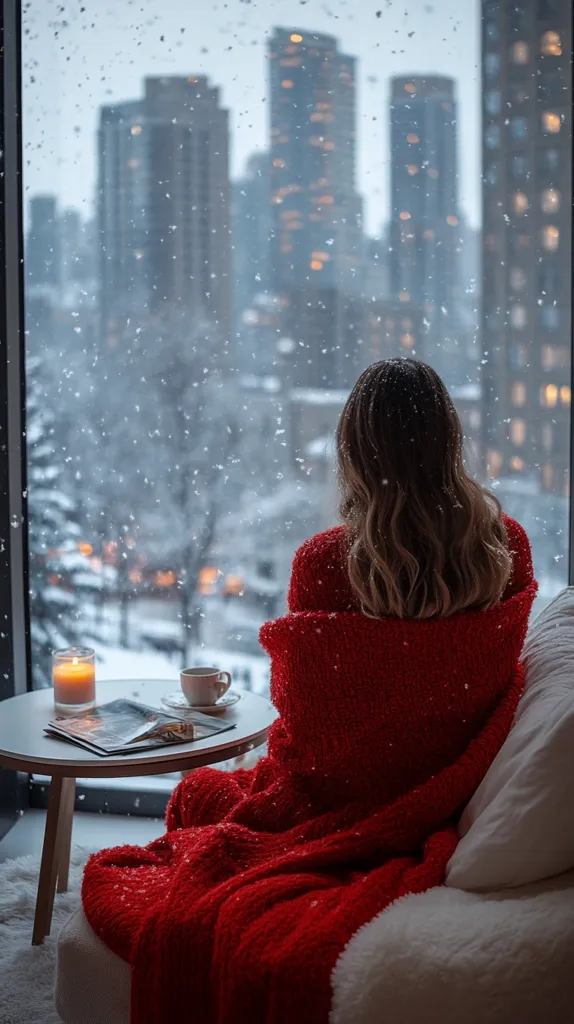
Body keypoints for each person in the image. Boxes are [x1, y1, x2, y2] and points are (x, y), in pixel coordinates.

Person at [82, 359, 537, 1024]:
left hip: (339, 799)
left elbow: (304, 731)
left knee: (199, 797)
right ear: (449, 440)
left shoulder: (328, 562)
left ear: (353, 450)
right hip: (452, 789)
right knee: (209, 801)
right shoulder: (506, 547)